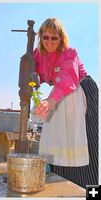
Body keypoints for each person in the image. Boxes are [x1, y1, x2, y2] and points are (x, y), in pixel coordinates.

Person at [33, 17, 98, 188]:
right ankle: (62, 178)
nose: (49, 41)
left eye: (54, 37)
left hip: (81, 89)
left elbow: (69, 78)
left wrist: (51, 100)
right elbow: (33, 74)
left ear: (61, 38)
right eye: (45, 37)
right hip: (60, 91)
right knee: (56, 130)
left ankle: (88, 186)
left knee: (85, 136)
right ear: (40, 36)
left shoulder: (69, 52)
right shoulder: (38, 53)